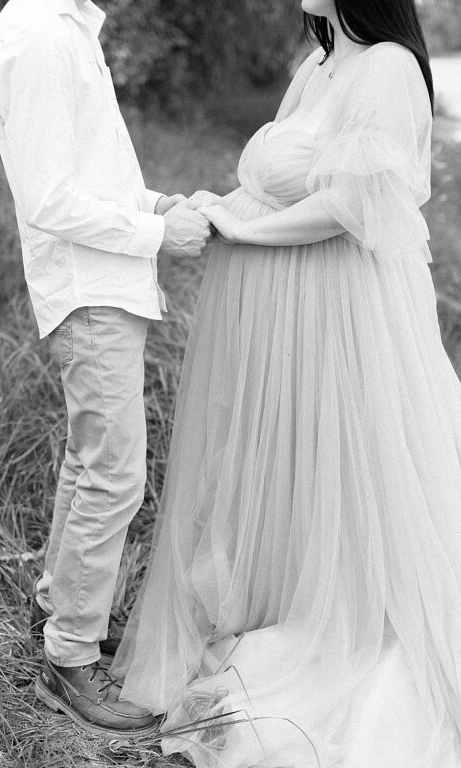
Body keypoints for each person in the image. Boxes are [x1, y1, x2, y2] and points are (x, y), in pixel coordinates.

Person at [111, 1, 461, 765]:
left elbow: (348, 206)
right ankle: (292, 602)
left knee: (353, 471)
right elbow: (275, 184)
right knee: (295, 471)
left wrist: (245, 231)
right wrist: (216, 207)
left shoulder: (390, 70)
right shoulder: (320, 64)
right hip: (285, 314)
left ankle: (346, 629)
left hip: (339, 317)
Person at [0, 0, 212, 739]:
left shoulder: (69, 27)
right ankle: (70, 659)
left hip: (102, 284)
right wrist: (155, 233)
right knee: (116, 475)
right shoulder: (46, 35)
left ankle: (58, 614)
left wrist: (154, 205)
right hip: (89, 291)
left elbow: (85, 175)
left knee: (91, 465)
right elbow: (48, 199)